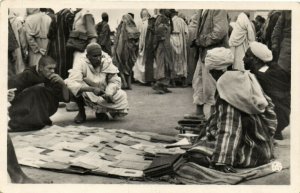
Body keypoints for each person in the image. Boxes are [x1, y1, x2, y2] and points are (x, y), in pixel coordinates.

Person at [193, 47, 277, 172]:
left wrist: (222, 161)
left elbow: (230, 127)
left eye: (211, 72)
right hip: (263, 148)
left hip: (250, 152)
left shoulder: (226, 87)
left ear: (217, 70)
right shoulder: (246, 76)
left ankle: (226, 158)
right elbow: (269, 110)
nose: (211, 75)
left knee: (195, 154)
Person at [65, 43, 129, 124]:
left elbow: (114, 80)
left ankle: (100, 111)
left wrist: (109, 92)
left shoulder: (106, 60)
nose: (98, 58)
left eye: (100, 55)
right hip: (87, 89)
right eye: (95, 56)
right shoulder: (80, 61)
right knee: (69, 85)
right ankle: (81, 112)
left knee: (122, 95)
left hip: (103, 89)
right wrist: (92, 89)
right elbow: (72, 83)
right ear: (88, 56)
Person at [8, 56, 70, 132]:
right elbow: (9, 88)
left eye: (54, 68)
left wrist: (62, 83)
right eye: (49, 68)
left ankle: (37, 122)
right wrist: (11, 96)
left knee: (41, 91)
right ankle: (30, 123)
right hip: (24, 108)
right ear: (40, 68)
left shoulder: (54, 77)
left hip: (47, 108)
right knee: (37, 90)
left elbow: (66, 99)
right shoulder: (28, 74)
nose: (53, 71)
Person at [244, 41, 290, 140]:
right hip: (283, 119)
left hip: (274, 120)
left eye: (247, 56)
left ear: (256, 59)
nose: (243, 59)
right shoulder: (274, 69)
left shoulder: (259, 76)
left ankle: (268, 128)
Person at [187, 9, 229, 119]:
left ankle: (214, 116)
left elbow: (220, 31)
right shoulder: (202, 9)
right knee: (198, 81)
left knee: (212, 86)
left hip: (215, 54)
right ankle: (199, 112)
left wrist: (201, 41)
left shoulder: (218, 8)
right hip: (203, 52)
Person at [66, 8, 98, 111]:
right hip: (78, 50)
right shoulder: (77, 14)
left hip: (84, 52)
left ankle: (97, 109)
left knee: (88, 79)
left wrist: (90, 54)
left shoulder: (86, 14)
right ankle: (81, 110)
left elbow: (92, 36)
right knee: (76, 79)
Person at [112, 13, 140, 90]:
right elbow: (137, 41)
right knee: (129, 68)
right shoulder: (135, 28)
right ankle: (128, 84)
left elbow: (119, 40)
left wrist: (117, 51)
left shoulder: (123, 28)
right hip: (132, 52)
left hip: (124, 51)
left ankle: (124, 83)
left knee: (121, 66)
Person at [152, 9, 173, 94]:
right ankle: (159, 84)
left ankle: (164, 86)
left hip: (167, 46)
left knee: (167, 65)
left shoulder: (166, 20)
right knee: (162, 65)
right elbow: (158, 34)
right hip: (162, 47)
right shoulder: (160, 19)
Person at [54, 8, 76, 79]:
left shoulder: (56, 16)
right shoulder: (69, 15)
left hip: (58, 45)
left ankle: (58, 83)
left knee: (60, 66)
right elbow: (72, 32)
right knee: (68, 66)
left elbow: (50, 34)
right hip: (67, 46)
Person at [169, 9, 189, 87]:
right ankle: (183, 81)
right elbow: (187, 33)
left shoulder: (170, 21)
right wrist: (185, 42)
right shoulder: (182, 21)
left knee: (173, 61)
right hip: (181, 42)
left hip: (172, 42)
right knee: (182, 61)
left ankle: (173, 81)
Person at [132, 9, 151, 84]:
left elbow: (138, 35)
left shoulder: (140, 23)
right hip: (147, 44)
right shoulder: (149, 23)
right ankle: (146, 78)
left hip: (141, 43)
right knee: (146, 61)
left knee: (140, 61)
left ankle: (141, 79)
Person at [8, 9, 28, 74]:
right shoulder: (17, 21)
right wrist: (25, 51)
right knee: (19, 68)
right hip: (16, 48)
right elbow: (22, 39)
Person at [186, 12, 199, 85]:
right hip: (195, 47)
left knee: (189, 62)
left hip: (188, 47)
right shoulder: (198, 29)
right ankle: (194, 80)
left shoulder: (188, 28)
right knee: (195, 63)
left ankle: (189, 79)